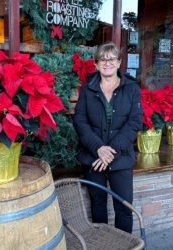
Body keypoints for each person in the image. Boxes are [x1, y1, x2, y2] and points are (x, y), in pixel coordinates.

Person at [73, 42, 143, 233]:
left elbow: (134, 123)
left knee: (124, 208)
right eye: (102, 59)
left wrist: (109, 152)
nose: (107, 62)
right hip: (93, 158)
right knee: (98, 205)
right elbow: (80, 122)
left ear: (119, 62)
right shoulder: (87, 89)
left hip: (120, 158)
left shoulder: (131, 89)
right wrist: (98, 149)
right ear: (96, 64)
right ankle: (102, 243)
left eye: (111, 58)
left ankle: (123, 245)